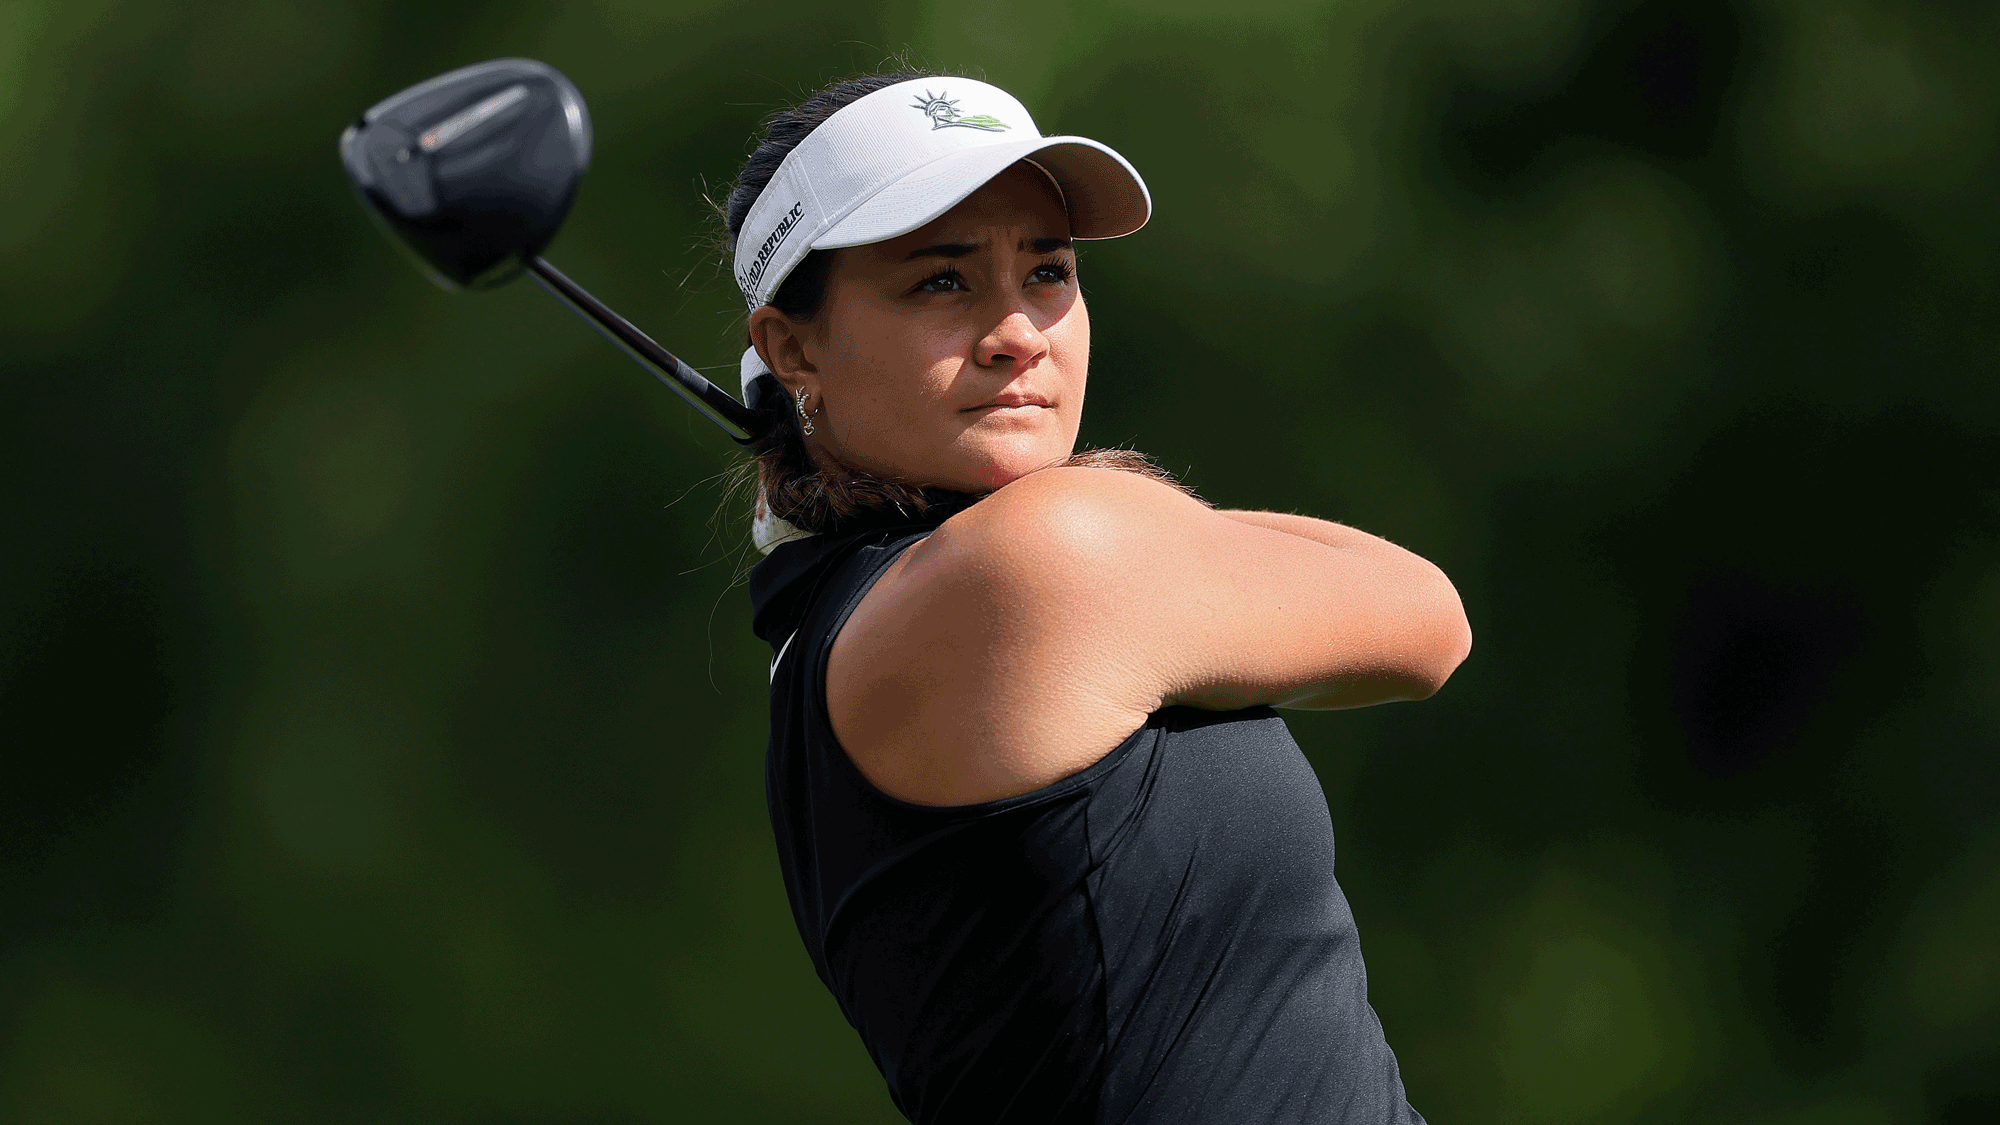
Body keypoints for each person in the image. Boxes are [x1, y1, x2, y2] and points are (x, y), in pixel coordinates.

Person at [724, 70, 1471, 1124]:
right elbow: (1425, 618)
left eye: (1047, 271)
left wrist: (1130, 516)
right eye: (940, 283)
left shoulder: (830, 633)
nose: (1015, 331)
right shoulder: (1043, 555)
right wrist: (1115, 499)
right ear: (792, 346)